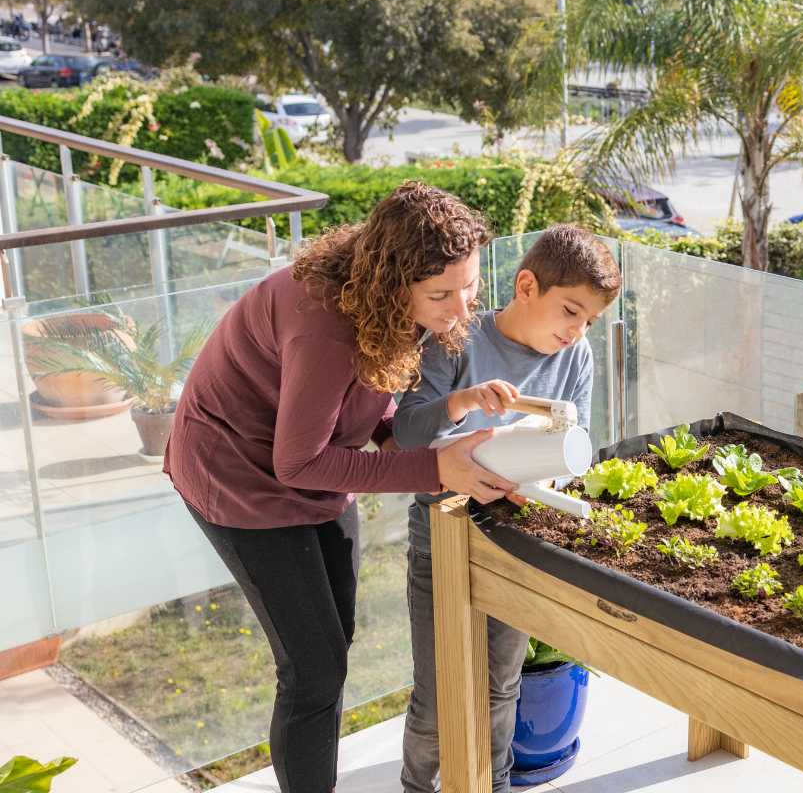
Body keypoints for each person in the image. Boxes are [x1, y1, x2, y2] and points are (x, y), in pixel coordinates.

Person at [163, 181, 516, 793]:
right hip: (238, 477)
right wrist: (436, 469)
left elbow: (362, 413)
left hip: (307, 462)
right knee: (313, 670)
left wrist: (449, 412)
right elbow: (297, 465)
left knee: (332, 645)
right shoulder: (325, 325)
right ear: (393, 280)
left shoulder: (380, 293)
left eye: (471, 288)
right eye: (442, 294)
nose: (462, 310)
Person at [392, 224, 622, 793]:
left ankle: (492, 786)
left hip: (518, 541)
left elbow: (578, 447)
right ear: (526, 286)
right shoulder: (457, 338)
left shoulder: (578, 357)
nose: (576, 331)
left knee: (501, 686)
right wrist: (463, 401)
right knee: (439, 693)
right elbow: (405, 431)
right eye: (570, 311)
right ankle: (418, 786)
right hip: (443, 535)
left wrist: (545, 476)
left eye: (588, 320)